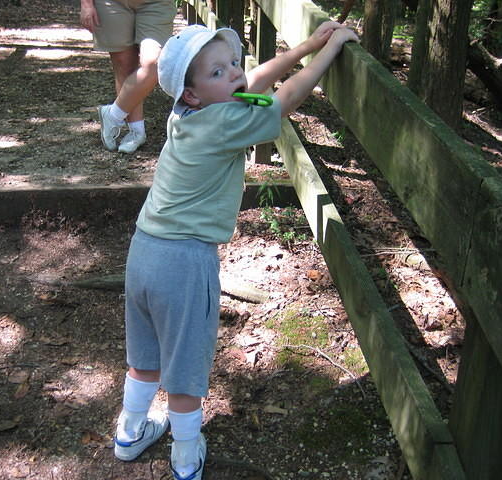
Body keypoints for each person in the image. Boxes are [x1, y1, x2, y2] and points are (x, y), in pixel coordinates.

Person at [113, 22, 359, 480]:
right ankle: (186, 455)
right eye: (217, 72)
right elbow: (286, 99)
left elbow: (253, 80)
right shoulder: (224, 122)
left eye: (231, 64)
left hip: (143, 250)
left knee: (145, 353)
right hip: (185, 261)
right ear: (192, 92)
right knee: (185, 364)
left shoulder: (185, 114)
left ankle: (130, 432)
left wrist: (309, 43)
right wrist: (331, 51)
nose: (233, 75)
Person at [80, 0, 176, 153]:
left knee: (154, 63)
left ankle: (113, 115)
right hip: (111, 3)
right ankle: (136, 132)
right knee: (124, 65)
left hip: (157, 3)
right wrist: (86, 4)